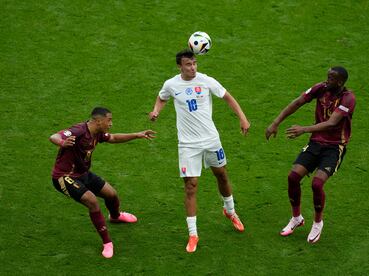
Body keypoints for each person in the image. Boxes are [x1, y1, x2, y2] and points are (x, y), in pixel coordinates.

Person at [149, 49, 250, 253]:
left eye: (195, 63)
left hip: (212, 140)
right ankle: (193, 234)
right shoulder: (171, 84)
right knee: (191, 186)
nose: (193, 67)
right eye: (188, 64)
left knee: (222, 175)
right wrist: (156, 111)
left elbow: (228, 97)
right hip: (187, 145)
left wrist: (243, 118)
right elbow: (162, 97)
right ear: (180, 66)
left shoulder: (206, 81)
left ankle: (230, 211)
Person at [49, 107, 156, 258]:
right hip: (64, 176)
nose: (111, 123)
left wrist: (137, 135)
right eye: (109, 120)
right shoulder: (79, 131)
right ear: (98, 121)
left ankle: (115, 216)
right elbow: (53, 136)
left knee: (111, 194)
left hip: (82, 174)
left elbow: (113, 138)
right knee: (92, 201)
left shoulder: (97, 133)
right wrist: (62, 142)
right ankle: (107, 242)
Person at [265, 67, 356, 243]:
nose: (326, 80)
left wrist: (303, 129)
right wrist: (275, 122)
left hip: (334, 147)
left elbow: (331, 123)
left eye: (331, 78)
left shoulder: (348, 98)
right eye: (327, 77)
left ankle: (317, 222)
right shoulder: (320, 88)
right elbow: (297, 102)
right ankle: (296, 218)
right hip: (316, 143)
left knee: (317, 183)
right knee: (293, 177)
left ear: (340, 82)